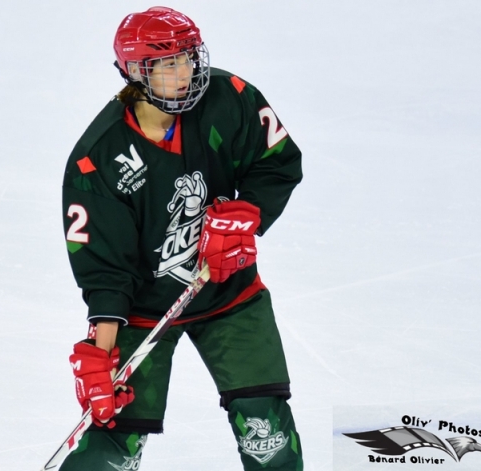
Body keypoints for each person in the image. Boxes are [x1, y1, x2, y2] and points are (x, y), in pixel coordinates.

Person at [60, 6, 304, 471]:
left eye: (189, 58)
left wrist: (243, 217)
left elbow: (277, 161)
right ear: (135, 73)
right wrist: (100, 350)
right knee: (114, 440)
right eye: (168, 64)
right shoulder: (97, 160)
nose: (186, 72)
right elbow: (106, 269)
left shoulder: (229, 98)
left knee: (265, 430)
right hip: (143, 311)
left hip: (230, 292)